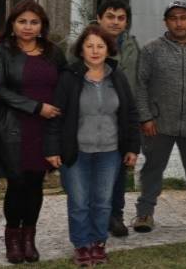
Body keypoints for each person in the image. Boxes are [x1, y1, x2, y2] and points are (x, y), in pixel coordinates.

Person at [45, 25, 141, 267]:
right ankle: (81, 244)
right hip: (76, 152)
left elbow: (130, 113)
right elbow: (56, 115)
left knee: (102, 201)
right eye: (90, 46)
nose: (95, 51)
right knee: (78, 202)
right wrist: (52, 149)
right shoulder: (69, 78)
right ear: (81, 50)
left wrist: (132, 147)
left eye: (100, 46)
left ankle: (98, 243)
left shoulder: (116, 77)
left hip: (110, 151)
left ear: (108, 49)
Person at [0, 0, 66, 264]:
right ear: (12, 24)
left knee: (35, 184)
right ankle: (13, 239)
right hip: (13, 128)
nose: (28, 27)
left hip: (45, 128)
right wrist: (35, 107)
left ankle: (29, 238)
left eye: (34, 22)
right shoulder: (0, 50)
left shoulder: (54, 52)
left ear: (42, 25)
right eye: (22, 21)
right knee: (17, 184)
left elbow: (65, 85)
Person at [132, 1, 186, 236]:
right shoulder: (152, 49)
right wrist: (145, 117)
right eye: (173, 18)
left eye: (183, 17)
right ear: (166, 22)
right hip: (158, 123)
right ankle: (144, 213)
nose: (178, 22)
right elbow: (141, 85)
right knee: (152, 168)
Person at [93, 0, 141, 237]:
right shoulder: (85, 45)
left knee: (118, 171)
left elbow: (140, 83)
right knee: (92, 171)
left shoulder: (132, 46)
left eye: (121, 18)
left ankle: (116, 216)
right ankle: (94, 216)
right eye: (110, 16)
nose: (115, 21)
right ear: (99, 17)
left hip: (121, 119)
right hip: (90, 119)